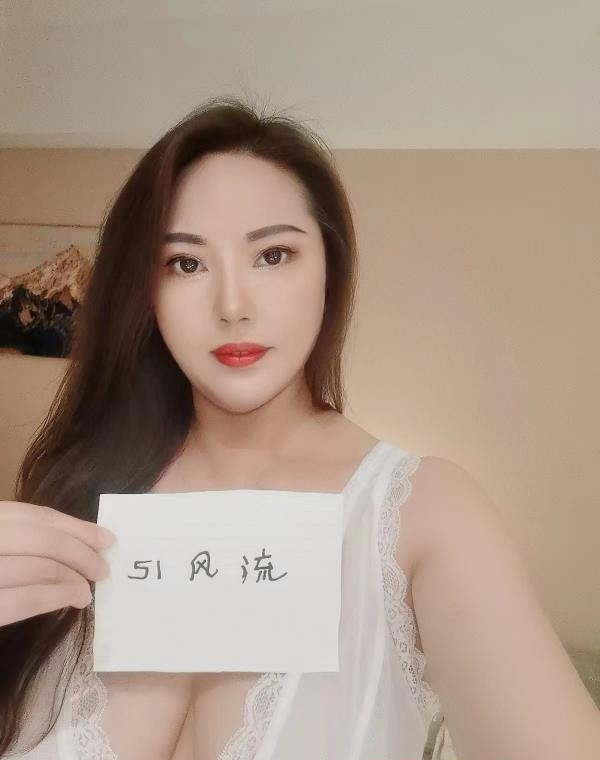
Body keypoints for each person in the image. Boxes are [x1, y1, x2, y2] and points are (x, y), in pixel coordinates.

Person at [1, 96, 598, 760]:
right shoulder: (75, 498)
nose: (233, 306)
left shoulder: (423, 516)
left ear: (330, 269)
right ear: (144, 291)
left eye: (274, 255)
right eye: (186, 263)